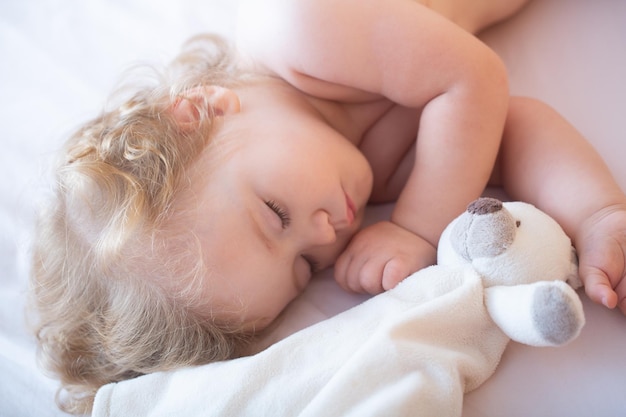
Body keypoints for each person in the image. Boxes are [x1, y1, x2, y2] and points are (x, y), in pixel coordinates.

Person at [31, 0, 626, 414]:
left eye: (276, 215)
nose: (327, 234)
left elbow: (473, 78)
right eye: (304, 268)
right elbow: (512, 125)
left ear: (201, 111)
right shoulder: (367, 164)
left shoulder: (296, 27)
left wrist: (416, 228)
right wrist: (598, 216)